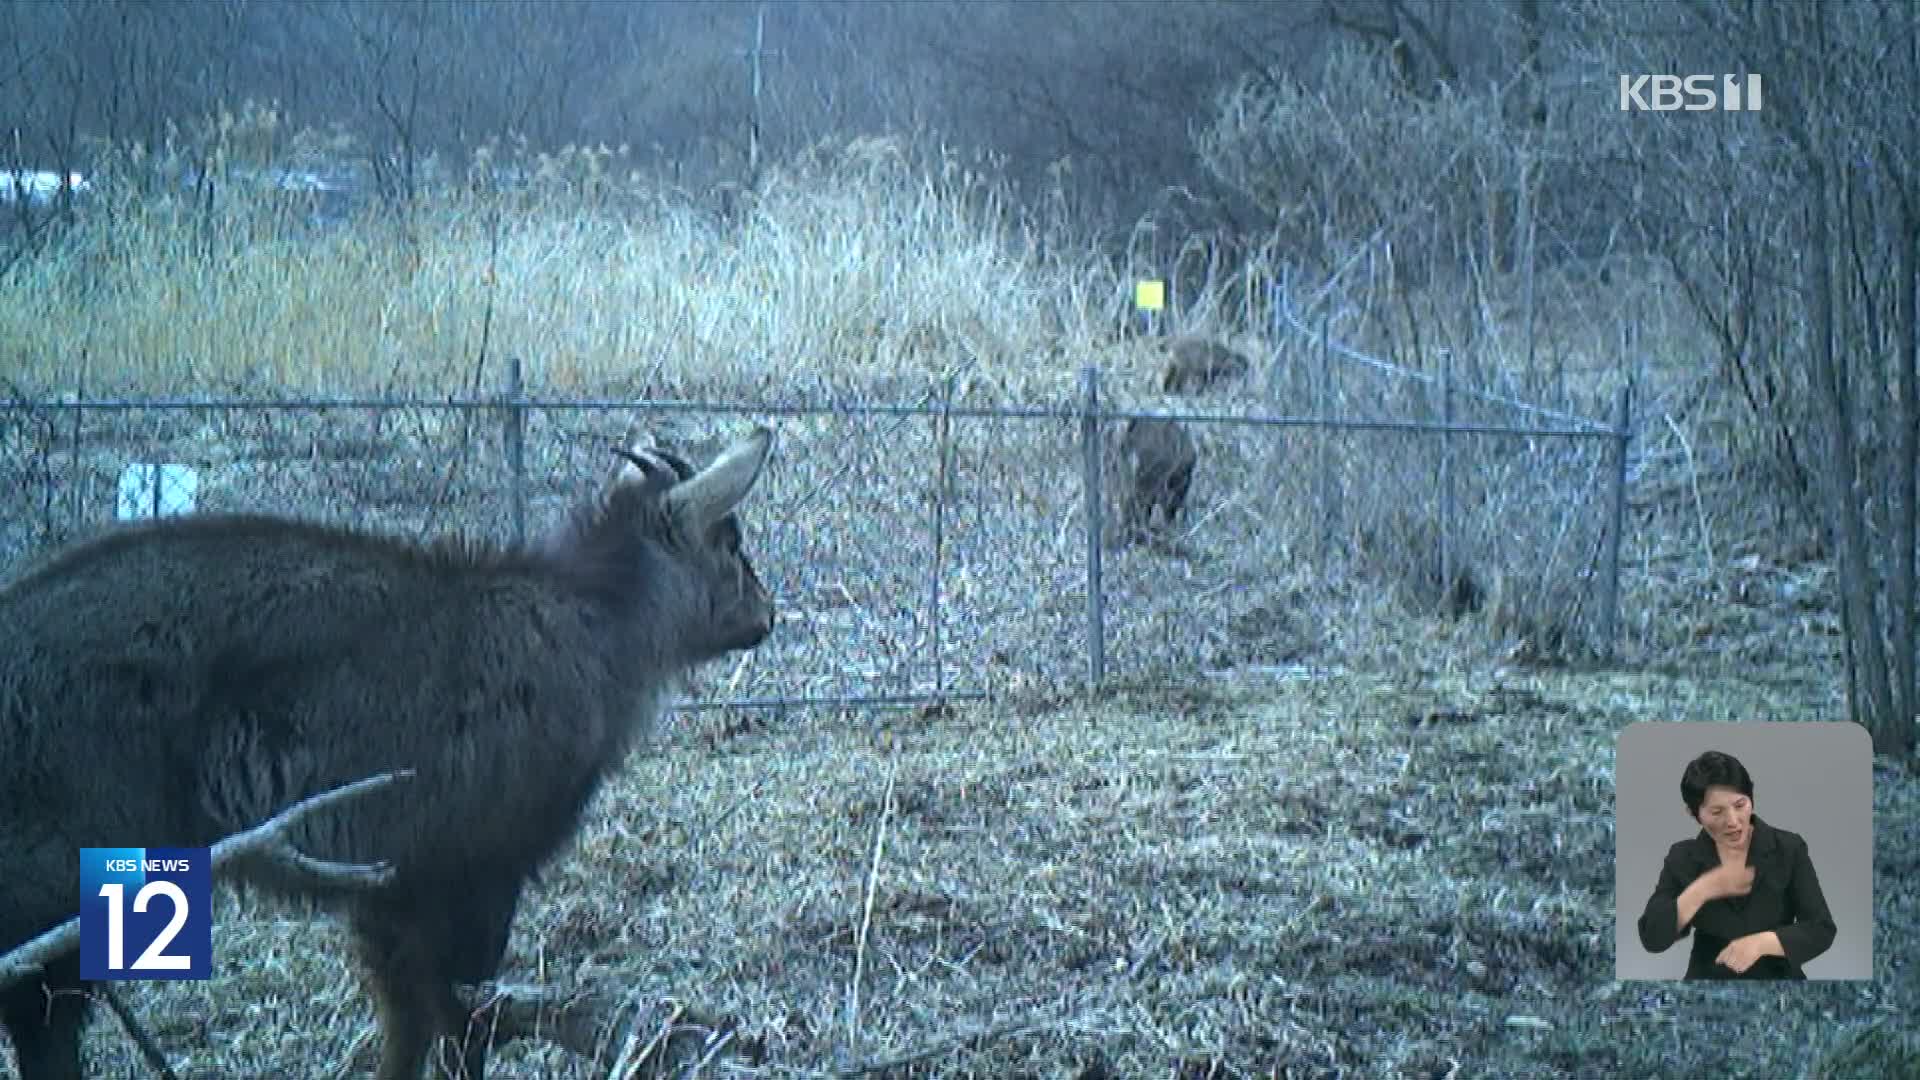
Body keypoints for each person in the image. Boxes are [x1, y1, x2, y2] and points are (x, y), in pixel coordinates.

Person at [1636, 749, 1838, 979]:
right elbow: (1652, 937)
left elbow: (1821, 928)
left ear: (1751, 798)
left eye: (1740, 805)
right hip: (1707, 988)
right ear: (1694, 814)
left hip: (1780, 985)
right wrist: (1702, 890)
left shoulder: (1789, 848)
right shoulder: (1683, 857)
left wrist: (1762, 944)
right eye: (1717, 812)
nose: (1732, 821)